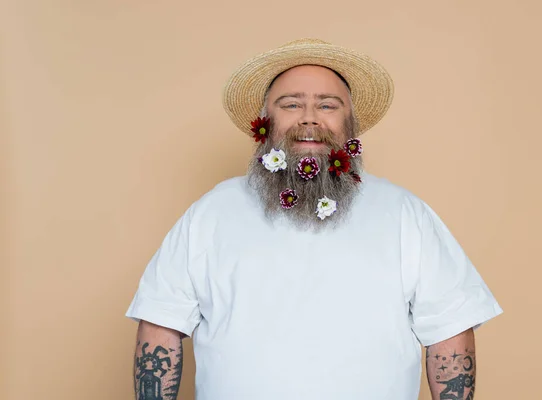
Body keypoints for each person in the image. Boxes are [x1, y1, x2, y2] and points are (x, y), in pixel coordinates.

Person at [126, 38, 503, 400]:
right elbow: (161, 323)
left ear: (349, 123)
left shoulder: (404, 213)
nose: (309, 118)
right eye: (290, 104)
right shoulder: (210, 213)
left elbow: (449, 330)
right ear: (264, 122)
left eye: (327, 105)